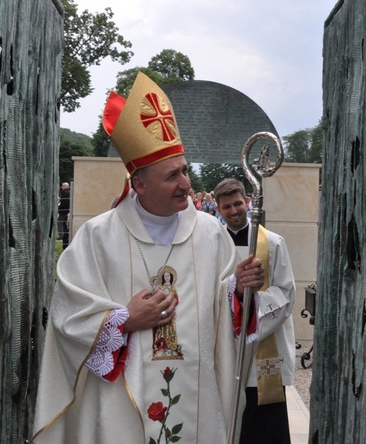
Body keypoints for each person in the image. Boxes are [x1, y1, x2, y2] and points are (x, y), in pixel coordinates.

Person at [32, 72, 265, 443]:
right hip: (120, 404)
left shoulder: (209, 233)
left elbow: (223, 307)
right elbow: (68, 316)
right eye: (172, 176)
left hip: (197, 399)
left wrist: (239, 290)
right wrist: (122, 320)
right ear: (139, 185)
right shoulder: (98, 237)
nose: (186, 184)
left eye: (185, 171)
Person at [214, 177, 297, 444]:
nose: (234, 211)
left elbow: (286, 291)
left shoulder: (272, 242)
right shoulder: (212, 244)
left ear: (247, 202)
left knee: (266, 425)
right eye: (226, 206)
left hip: (263, 339)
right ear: (218, 208)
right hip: (224, 341)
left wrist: (249, 313)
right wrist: (231, 302)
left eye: (238, 203)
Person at [57, 182, 70, 249]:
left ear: (65, 186)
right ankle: (64, 234)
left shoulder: (64, 193)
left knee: (60, 223)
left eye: (62, 186)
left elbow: (63, 202)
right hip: (68, 210)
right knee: (65, 224)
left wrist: (59, 208)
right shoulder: (70, 192)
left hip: (63, 210)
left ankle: (61, 235)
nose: (61, 187)